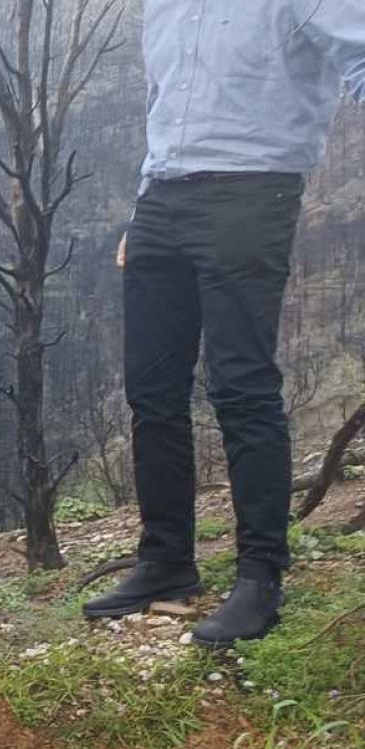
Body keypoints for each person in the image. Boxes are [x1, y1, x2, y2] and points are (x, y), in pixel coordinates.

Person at [92, 1, 365, 647]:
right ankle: (165, 562)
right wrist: (141, 209)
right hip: (162, 197)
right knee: (151, 391)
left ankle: (261, 577)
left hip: (252, 193)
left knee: (242, 386)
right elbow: (168, 103)